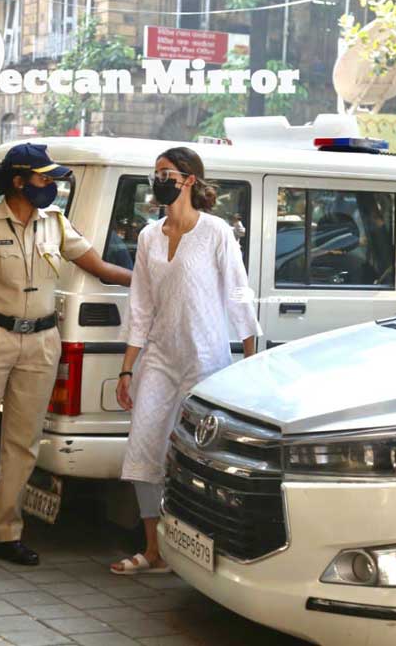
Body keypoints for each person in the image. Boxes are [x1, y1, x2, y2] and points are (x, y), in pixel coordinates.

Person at [0, 144, 131, 570]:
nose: (52, 186)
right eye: (45, 179)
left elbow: (99, 266)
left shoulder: (55, 224)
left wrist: (154, 279)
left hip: (40, 342)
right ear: (19, 181)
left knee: (22, 443)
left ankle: (6, 534)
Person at [110, 147, 260, 575]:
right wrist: (127, 367)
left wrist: (249, 361)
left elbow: (238, 294)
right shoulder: (148, 236)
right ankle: (153, 550)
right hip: (159, 356)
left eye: (166, 172)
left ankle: (194, 551)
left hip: (204, 360)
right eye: (155, 172)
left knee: (197, 457)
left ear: (190, 179)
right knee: (143, 448)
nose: (158, 179)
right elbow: (140, 306)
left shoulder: (215, 232)